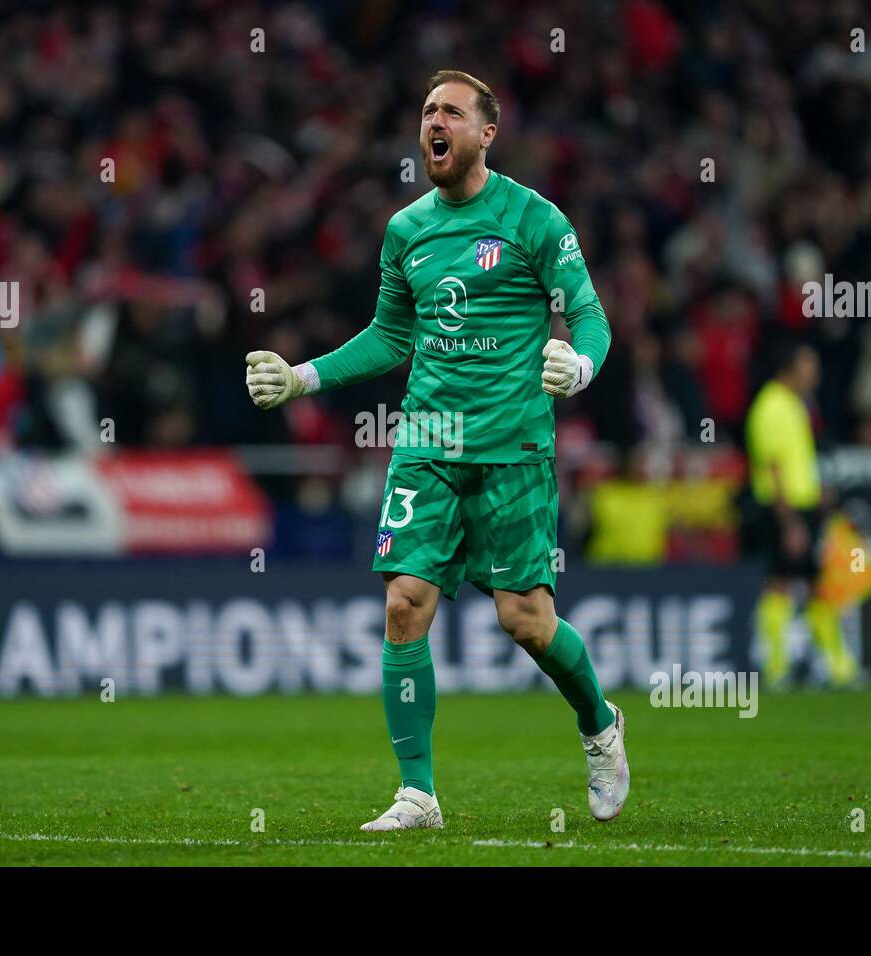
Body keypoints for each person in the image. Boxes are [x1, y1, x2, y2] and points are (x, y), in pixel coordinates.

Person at [244, 70, 626, 830]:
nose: (434, 122)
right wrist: (303, 377)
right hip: (425, 441)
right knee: (403, 604)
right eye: (426, 112)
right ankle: (418, 793)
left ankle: (600, 724)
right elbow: (391, 335)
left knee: (525, 620)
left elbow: (589, 315)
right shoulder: (406, 230)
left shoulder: (535, 219)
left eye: (451, 111)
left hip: (513, 445)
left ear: (488, 131)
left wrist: (578, 365)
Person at [745, 340, 859, 688]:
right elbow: (774, 468)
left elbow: (794, 462)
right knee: (781, 583)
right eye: (810, 365)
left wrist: (817, 494)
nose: (816, 372)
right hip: (784, 510)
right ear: (790, 366)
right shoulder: (771, 407)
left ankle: (837, 668)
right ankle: (778, 667)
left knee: (815, 586)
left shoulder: (794, 404)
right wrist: (791, 522)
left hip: (803, 507)